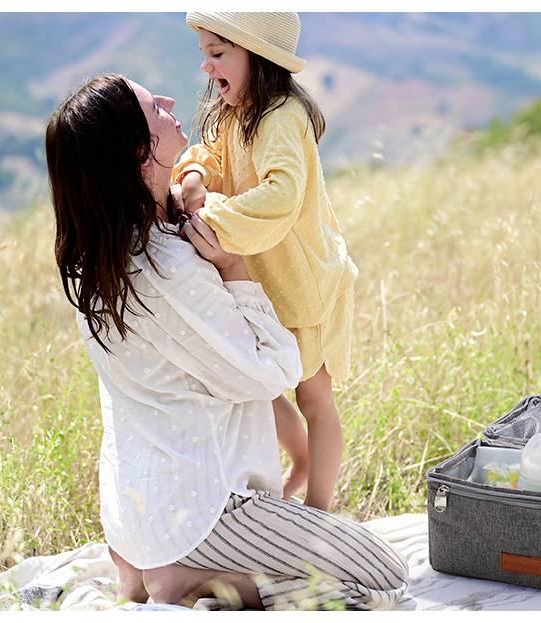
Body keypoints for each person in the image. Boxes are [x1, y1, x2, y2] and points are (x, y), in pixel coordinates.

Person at [45, 73, 408, 610]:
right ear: (142, 152)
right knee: (386, 578)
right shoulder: (169, 267)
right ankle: (193, 583)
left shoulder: (98, 253)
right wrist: (236, 267)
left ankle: (161, 570)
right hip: (203, 510)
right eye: (152, 105)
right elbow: (274, 371)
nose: (169, 100)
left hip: (135, 512)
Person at [173, 12, 358, 511]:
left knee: (314, 400)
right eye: (205, 55)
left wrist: (210, 210)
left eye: (218, 54)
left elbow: (281, 195)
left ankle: (321, 513)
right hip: (262, 285)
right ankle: (298, 459)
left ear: (256, 56)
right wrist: (193, 173)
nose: (208, 69)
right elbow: (208, 155)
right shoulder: (234, 111)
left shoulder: (281, 118)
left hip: (304, 285)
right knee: (260, 382)